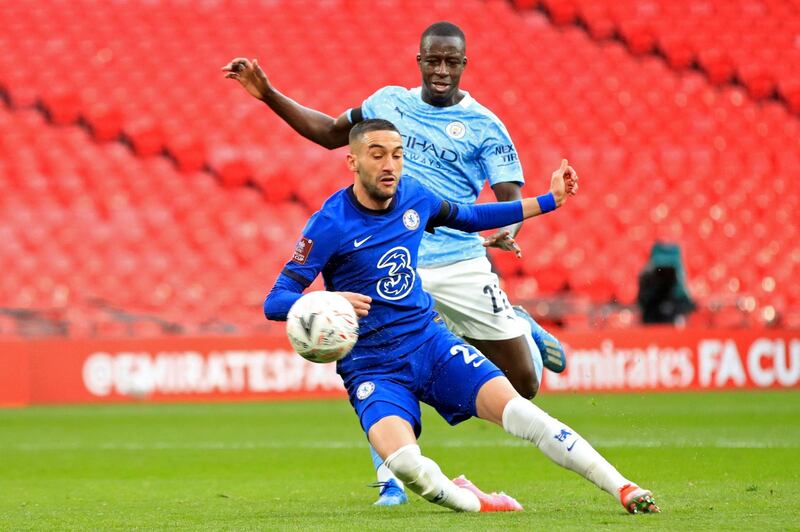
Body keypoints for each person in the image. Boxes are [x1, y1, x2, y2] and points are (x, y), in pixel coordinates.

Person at [224, 21, 567, 505]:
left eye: (451, 61)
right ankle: (391, 480)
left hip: (461, 260)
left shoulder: (485, 125)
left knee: (524, 387)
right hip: (394, 256)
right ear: (420, 61)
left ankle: (520, 325)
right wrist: (268, 95)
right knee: (372, 355)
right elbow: (326, 133)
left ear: (464, 64)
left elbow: (506, 194)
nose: (442, 69)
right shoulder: (387, 103)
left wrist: (510, 230)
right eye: (433, 60)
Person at [263, 119, 659, 515]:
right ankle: (478, 502)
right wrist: (330, 301)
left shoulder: (414, 196)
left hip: (429, 345)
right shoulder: (330, 223)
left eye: (397, 155)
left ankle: (624, 487)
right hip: (372, 367)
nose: (390, 165)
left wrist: (550, 201)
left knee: (523, 412)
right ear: (352, 161)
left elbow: (468, 216)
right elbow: (276, 300)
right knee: (404, 464)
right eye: (377, 154)